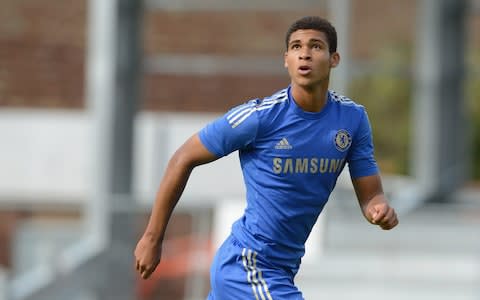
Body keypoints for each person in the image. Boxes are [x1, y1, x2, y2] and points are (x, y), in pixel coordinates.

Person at [134, 16, 399, 299]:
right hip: (249, 263)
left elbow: (371, 195)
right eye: (296, 47)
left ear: (334, 59)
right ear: (286, 59)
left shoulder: (352, 119)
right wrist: (152, 237)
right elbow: (182, 158)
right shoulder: (259, 117)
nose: (305, 53)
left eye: (316, 47)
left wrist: (378, 210)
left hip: (282, 268)